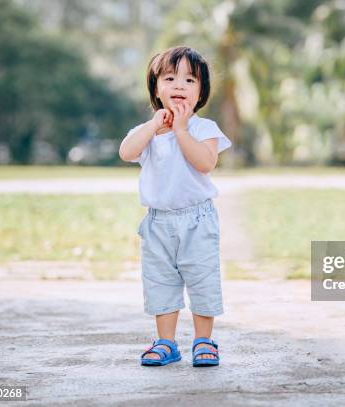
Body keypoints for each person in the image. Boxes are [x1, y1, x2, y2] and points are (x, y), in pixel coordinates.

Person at [119, 46, 232, 367]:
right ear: (156, 89)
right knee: (160, 281)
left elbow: (205, 163)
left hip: (197, 219)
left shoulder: (203, 129)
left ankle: (204, 340)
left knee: (202, 278)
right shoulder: (149, 131)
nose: (179, 85)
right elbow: (127, 152)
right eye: (170, 78)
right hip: (158, 223)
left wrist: (181, 130)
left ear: (201, 92)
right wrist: (154, 127)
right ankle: (166, 342)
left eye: (189, 80)